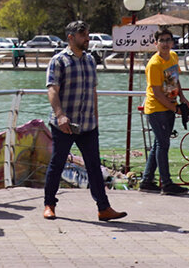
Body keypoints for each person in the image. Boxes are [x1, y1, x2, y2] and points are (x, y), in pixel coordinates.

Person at [42, 20, 128, 222]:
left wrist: (96, 118)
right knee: (57, 164)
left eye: (87, 34)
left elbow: (93, 91)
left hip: (88, 124)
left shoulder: (90, 60)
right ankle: (49, 204)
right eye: (83, 35)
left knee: (93, 166)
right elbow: (52, 89)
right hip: (64, 124)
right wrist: (60, 115)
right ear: (71, 38)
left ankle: (103, 208)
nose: (87, 38)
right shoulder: (58, 60)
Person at [139, 28, 187, 194]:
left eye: (168, 40)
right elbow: (158, 93)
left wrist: (183, 99)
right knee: (163, 144)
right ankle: (166, 183)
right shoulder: (154, 64)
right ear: (156, 43)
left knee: (159, 144)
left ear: (172, 42)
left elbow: (175, 80)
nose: (165, 43)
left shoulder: (173, 56)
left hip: (170, 106)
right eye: (162, 41)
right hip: (156, 108)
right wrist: (175, 108)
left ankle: (146, 181)